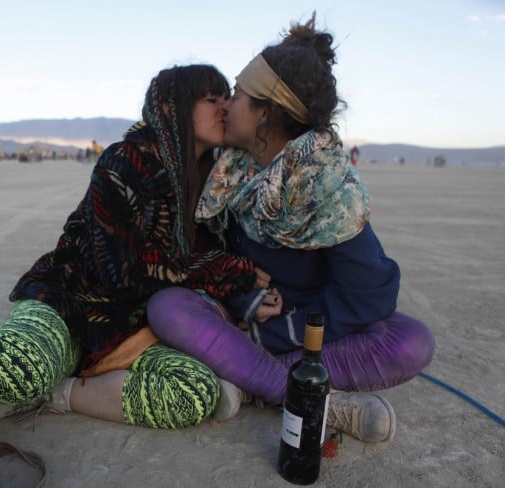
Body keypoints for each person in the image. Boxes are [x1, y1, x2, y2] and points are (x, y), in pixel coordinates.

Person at [0, 64, 265, 432]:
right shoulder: (125, 161)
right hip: (72, 305)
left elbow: (202, 263)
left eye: (228, 98)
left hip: (137, 327)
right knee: (16, 368)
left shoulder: (217, 181)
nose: (225, 107)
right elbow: (125, 272)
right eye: (211, 99)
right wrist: (232, 272)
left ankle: (51, 394)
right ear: (170, 108)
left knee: (193, 392)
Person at [147, 16, 435, 443]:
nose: (226, 106)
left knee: (411, 341)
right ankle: (306, 396)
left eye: (239, 96)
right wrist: (246, 300)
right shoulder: (227, 170)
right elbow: (208, 257)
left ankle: (252, 382)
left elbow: (369, 293)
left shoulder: (329, 189)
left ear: (267, 113)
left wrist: (279, 332)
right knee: (168, 306)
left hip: (307, 331)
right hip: (241, 320)